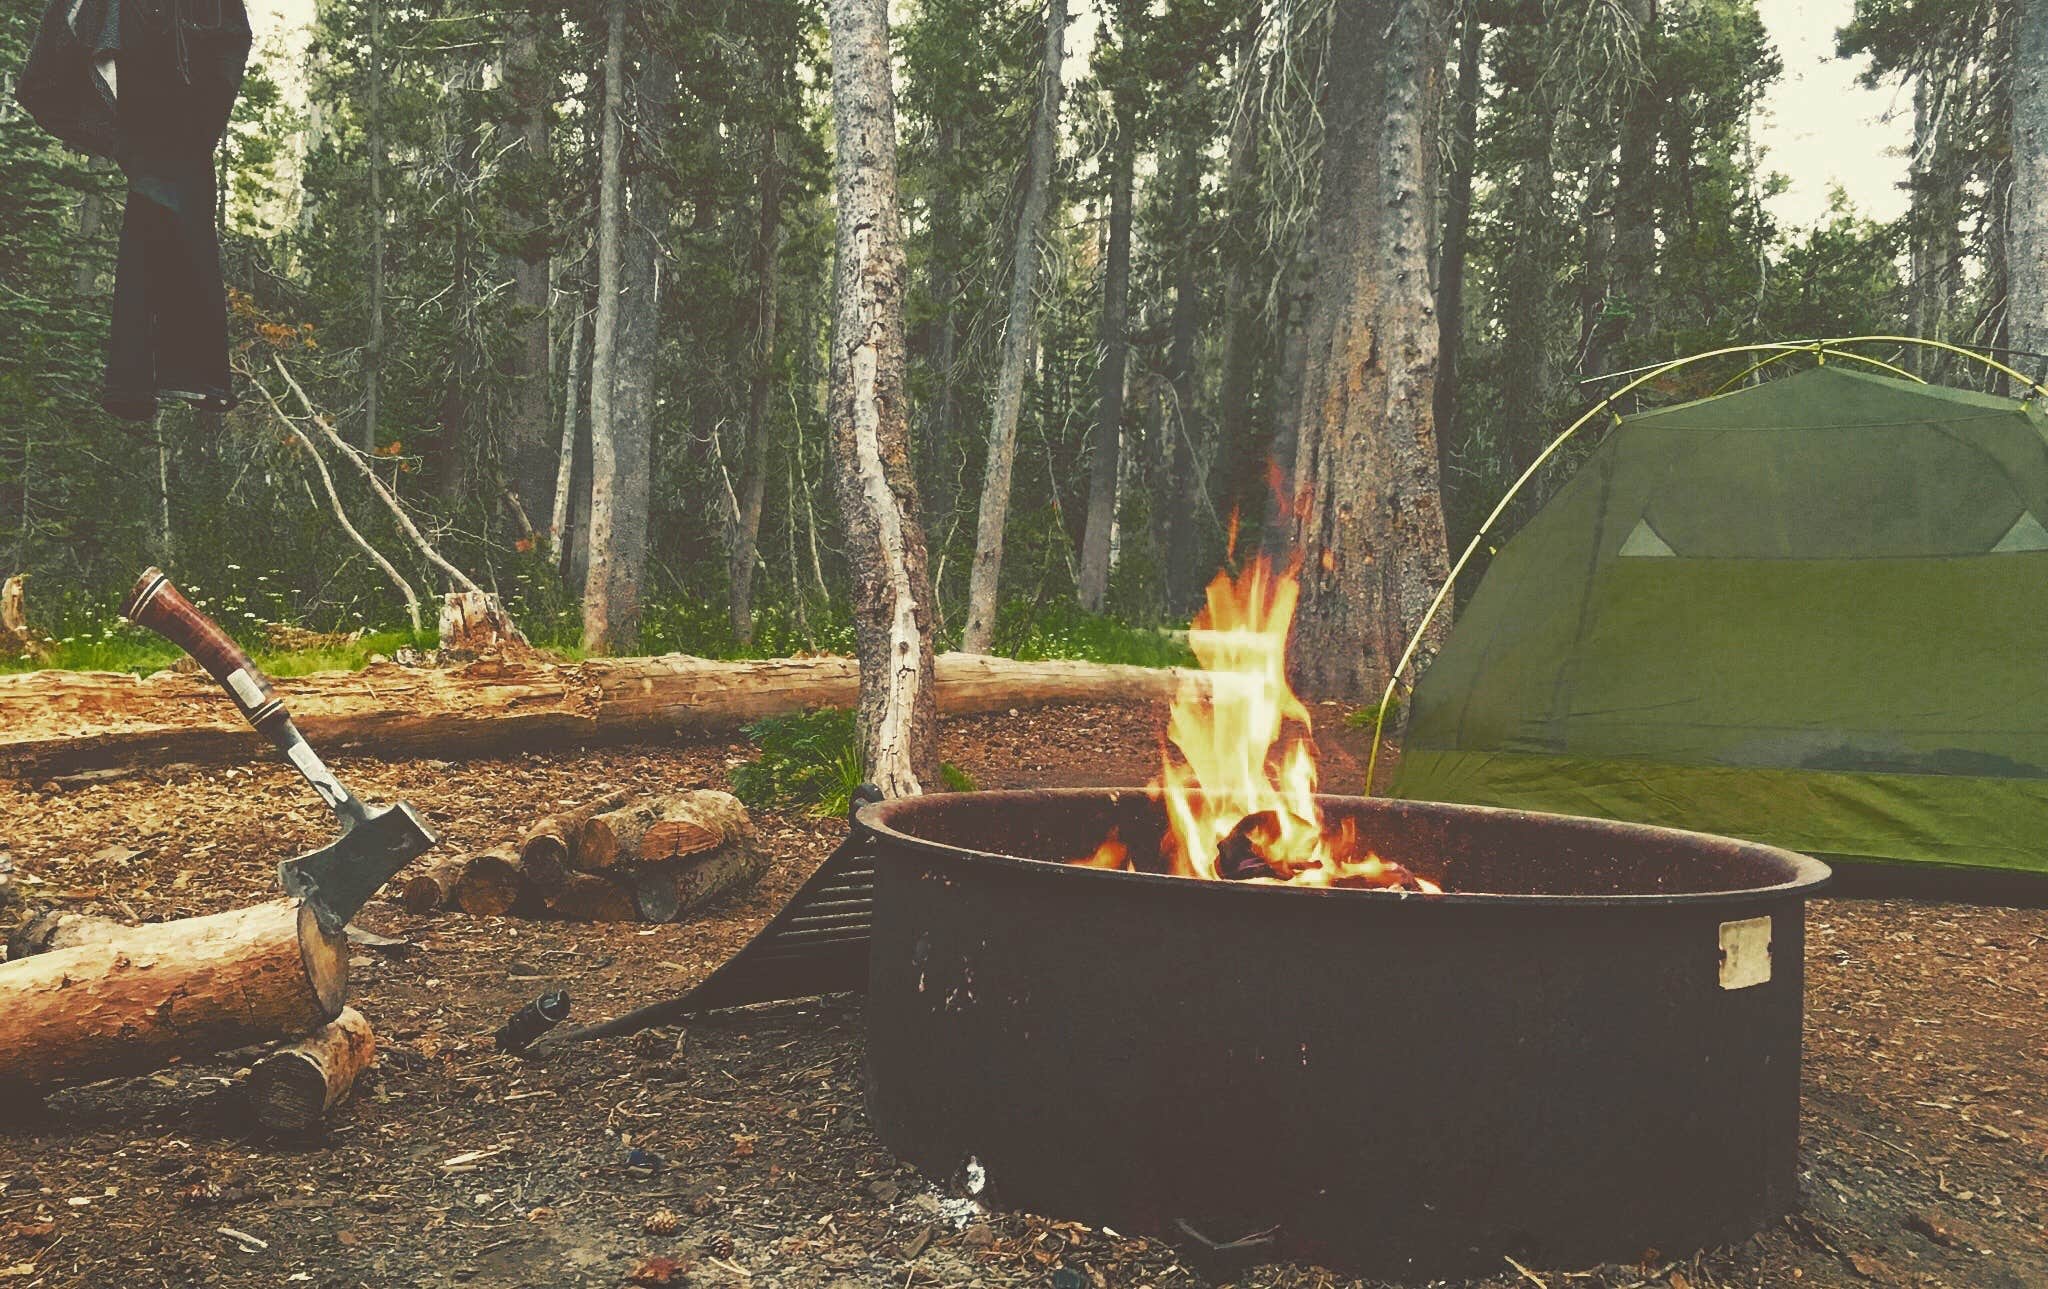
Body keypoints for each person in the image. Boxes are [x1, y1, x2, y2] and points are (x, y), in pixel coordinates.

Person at [17, 0, 253, 421]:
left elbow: (231, 40)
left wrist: (205, 106)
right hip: (150, 100)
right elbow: (51, 68)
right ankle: (165, 379)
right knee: (167, 206)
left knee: (167, 209)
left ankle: (151, 381)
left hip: (178, 101)